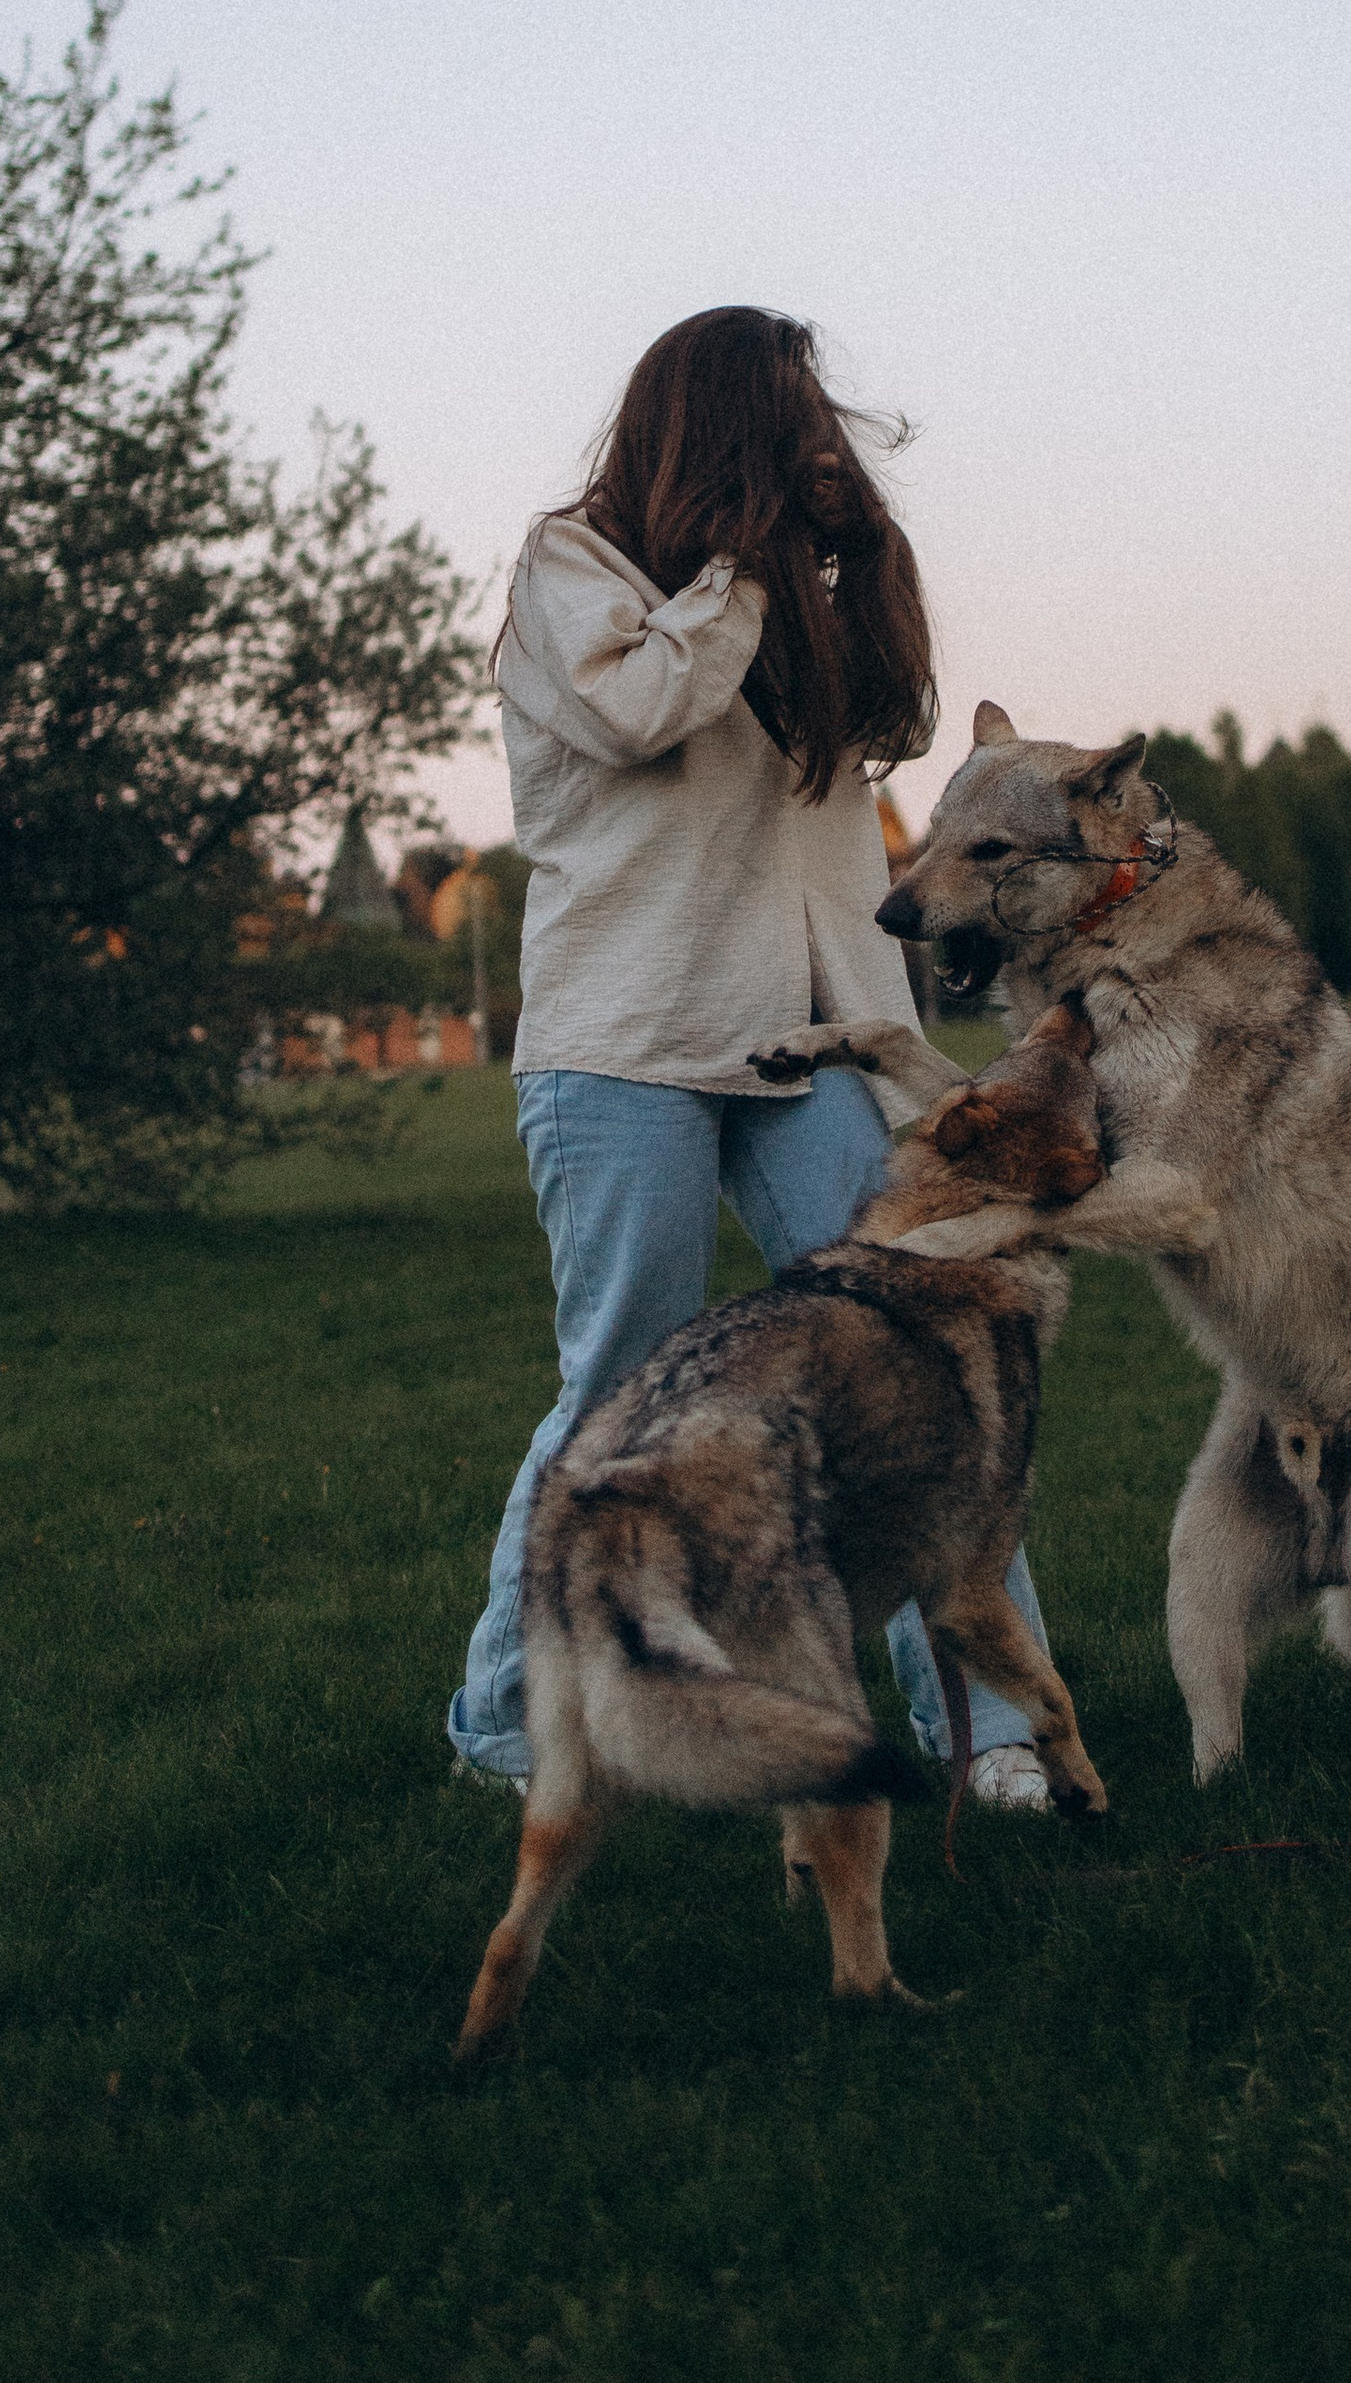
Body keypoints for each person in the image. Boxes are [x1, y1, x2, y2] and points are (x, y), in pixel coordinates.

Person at [446, 306, 1056, 1804]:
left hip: (824, 1031)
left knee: (920, 1368)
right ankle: (508, 1725)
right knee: (616, 1393)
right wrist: (745, 564)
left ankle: (995, 1730)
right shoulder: (569, 568)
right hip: (627, 1040)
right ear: (716, 428)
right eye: (786, 418)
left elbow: (897, 718)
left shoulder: (799, 589)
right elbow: (645, 709)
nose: (816, 440)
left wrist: (859, 554)